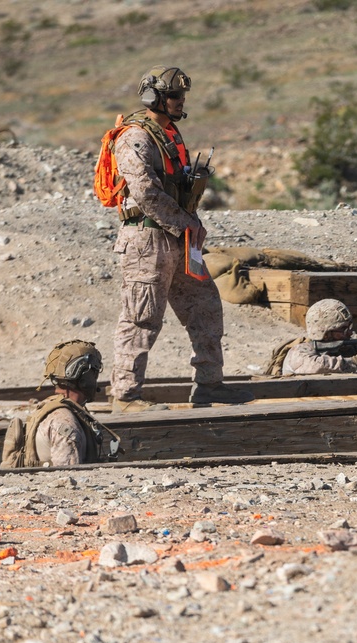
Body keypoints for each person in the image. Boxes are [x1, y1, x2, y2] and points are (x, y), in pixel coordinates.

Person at [110, 65, 252, 413]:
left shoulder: (168, 135)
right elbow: (146, 193)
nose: (180, 100)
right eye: (174, 95)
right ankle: (125, 397)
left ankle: (209, 385)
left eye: (181, 95)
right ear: (154, 98)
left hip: (179, 236)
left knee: (206, 308)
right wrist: (185, 223)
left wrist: (189, 221)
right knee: (141, 317)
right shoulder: (135, 137)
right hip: (147, 239)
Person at [1, 341, 113, 467]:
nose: (95, 381)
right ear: (84, 379)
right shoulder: (66, 424)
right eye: (94, 374)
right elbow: (69, 474)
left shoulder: (52, 406)